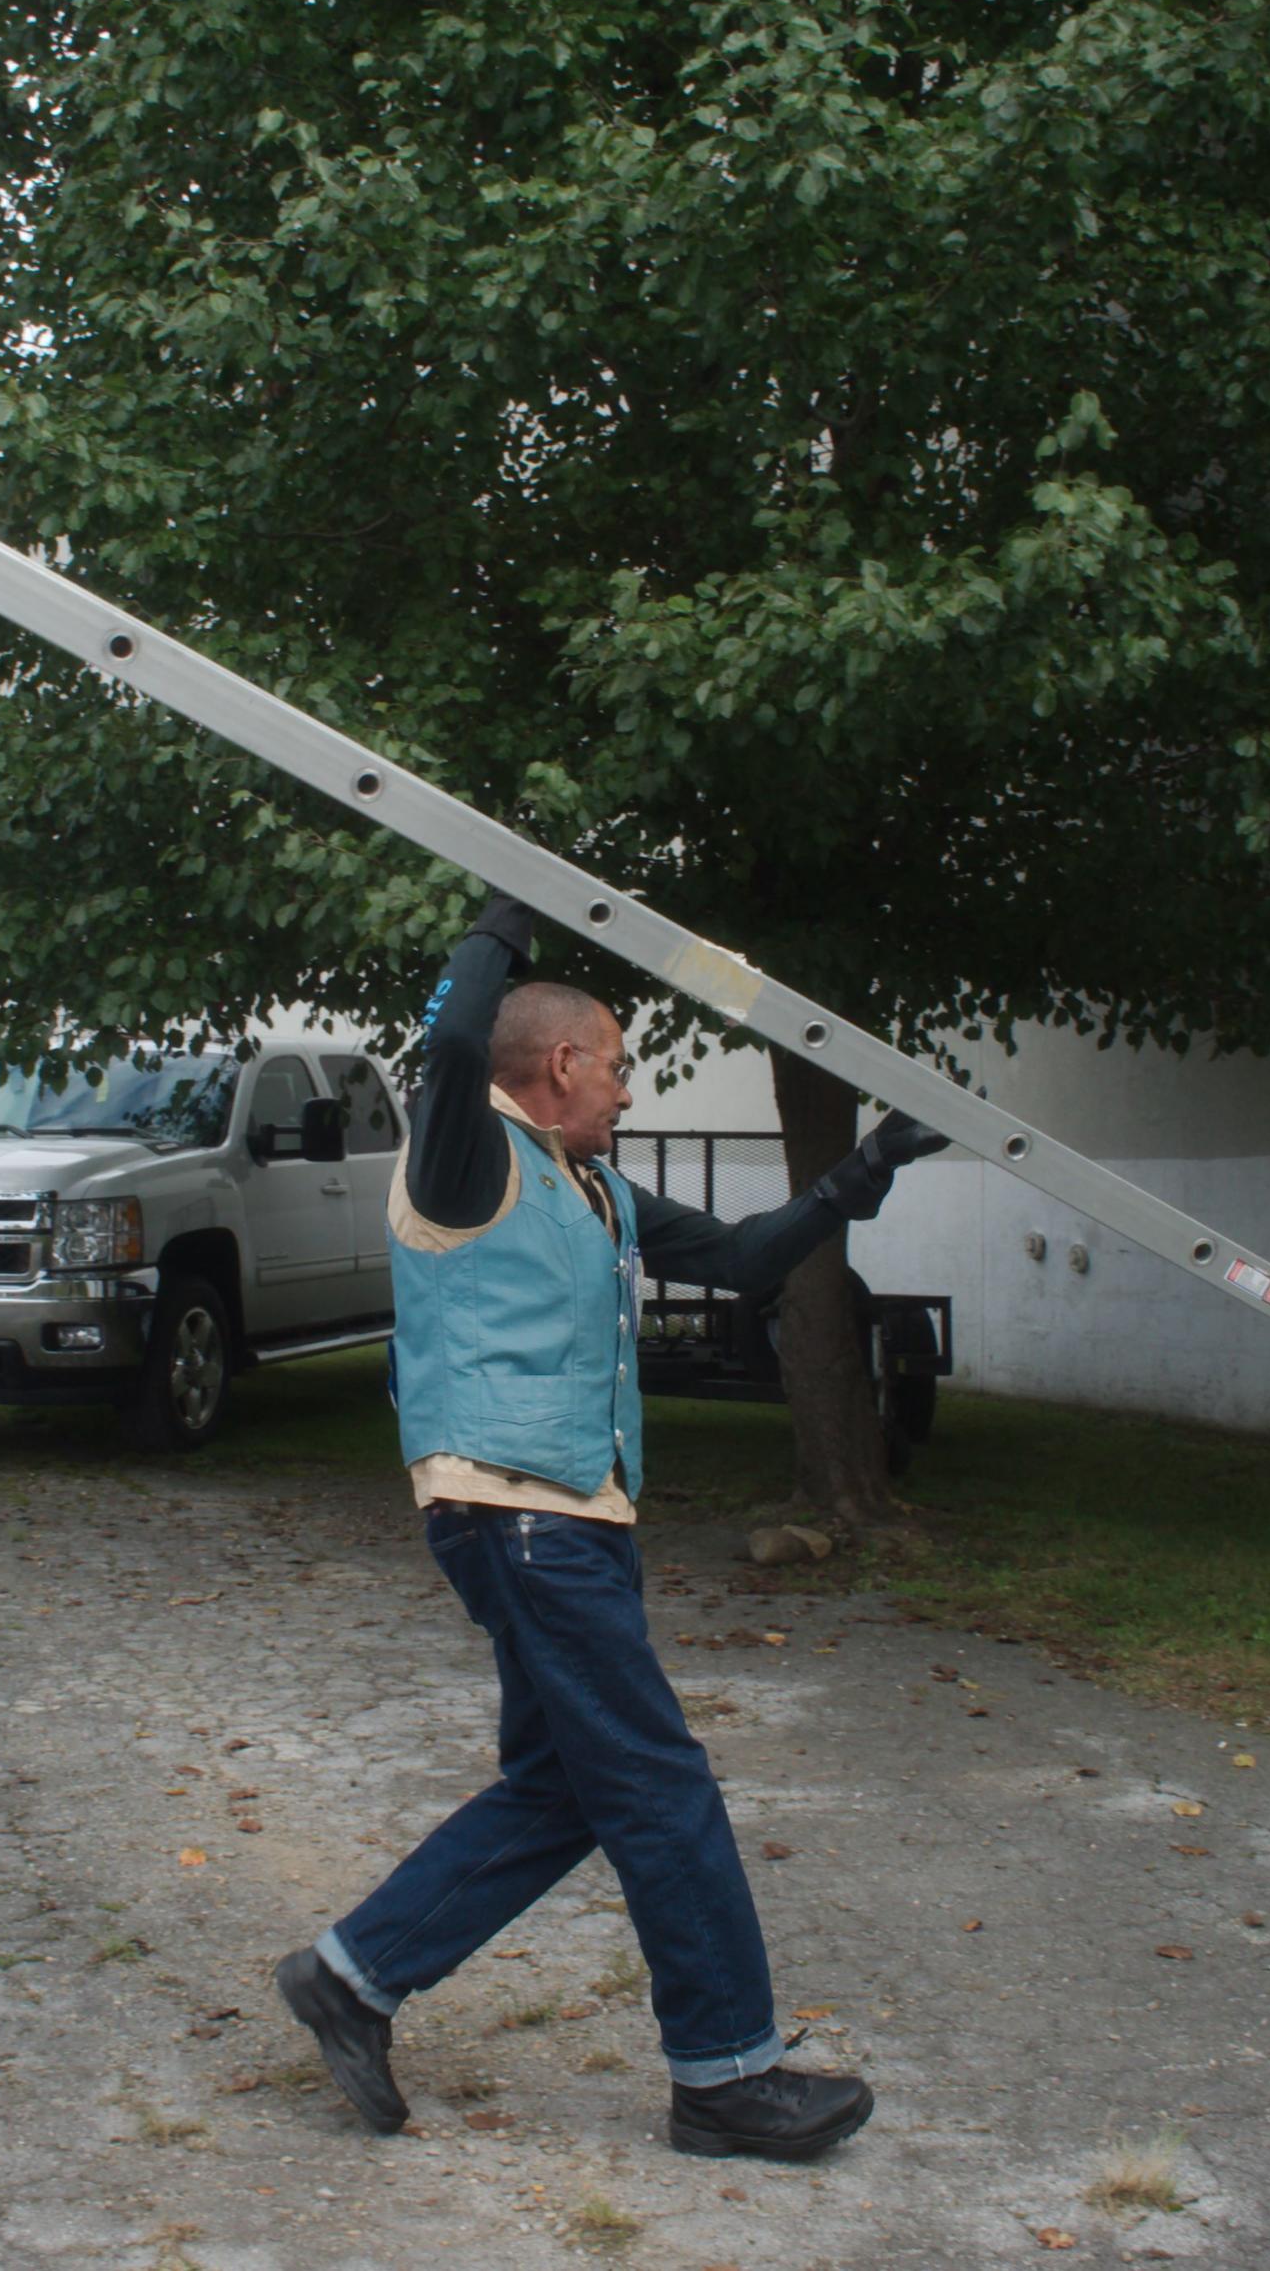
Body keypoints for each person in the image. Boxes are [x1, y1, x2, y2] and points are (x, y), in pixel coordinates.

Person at [276, 895, 947, 2162]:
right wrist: (503, 919)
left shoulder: (590, 1186)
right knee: (657, 1782)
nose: (630, 1089)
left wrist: (871, 1165)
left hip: (565, 1519)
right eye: (621, 1064)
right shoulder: (465, 1157)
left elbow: (747, 1258)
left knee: (564, 1789)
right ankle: (727, 2074)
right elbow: (453, 1042)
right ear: (564, 1062)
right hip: (523, 1517)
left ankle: (351, 1976)